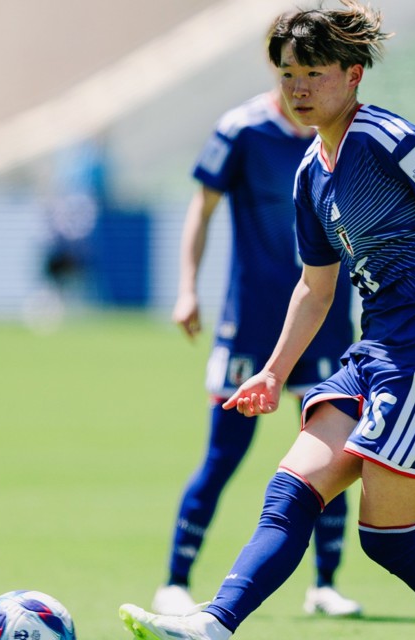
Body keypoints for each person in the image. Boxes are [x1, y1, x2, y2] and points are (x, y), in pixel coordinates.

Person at [121, 2, 415, 639]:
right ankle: (213, 625)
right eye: (288, 74)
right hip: (375, 355)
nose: (299, 88)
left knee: (386, 537)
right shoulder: (311, 173)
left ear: (354, 74)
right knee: (290, 492)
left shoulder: (386, 140)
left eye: (314, 72)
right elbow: (315, 287)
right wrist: (273, 371)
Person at [153, 84, 362, 616]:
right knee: (224, 455)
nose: (303, 82)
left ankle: (325, 584)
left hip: (326, 323)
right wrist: (186, 287)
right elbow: (202, 208)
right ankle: (175, 580)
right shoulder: (240, 130)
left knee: (333, 454)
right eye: (294, 67)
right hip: (248, 322)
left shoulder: (348, 134)